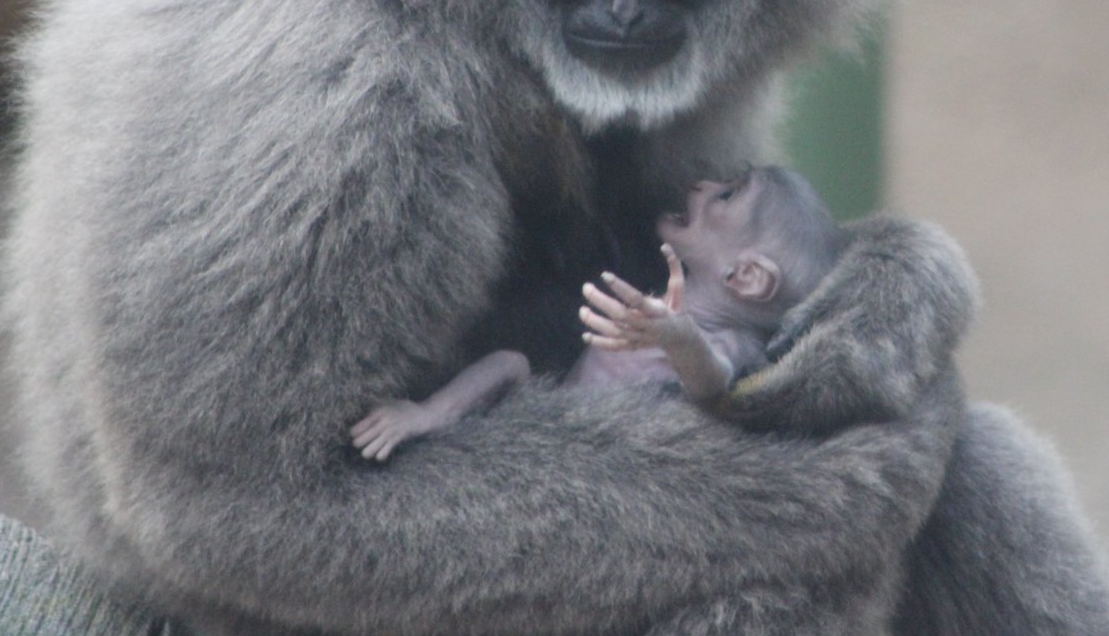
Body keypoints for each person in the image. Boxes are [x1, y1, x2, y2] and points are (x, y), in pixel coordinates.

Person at [351, 166, 843, 459]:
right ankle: (425, 415)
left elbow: (712, 382)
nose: (703, 184)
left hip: (598, 447)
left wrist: (679, 336)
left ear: (748, 277)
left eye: (729, 194)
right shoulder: (680, 288)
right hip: (549, 403)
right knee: (508, 363)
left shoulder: (727, 340)